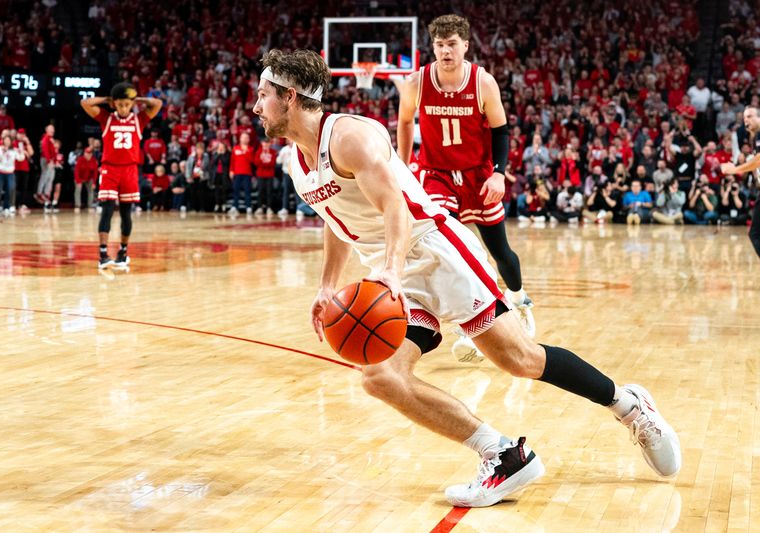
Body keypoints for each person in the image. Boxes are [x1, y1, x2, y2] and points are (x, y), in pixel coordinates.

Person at [254, 47, 681, 508]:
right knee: (379, 376)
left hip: (434, 250)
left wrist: (393, 269)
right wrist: (325, 285)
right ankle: (501, 456)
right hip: (394, 273)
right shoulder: (296, 162)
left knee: (519, 359)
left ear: (291, 97)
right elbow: (336, 219)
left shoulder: (351, 136)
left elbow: (395, 205)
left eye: (263, 95)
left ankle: (630, 406)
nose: (257, 106)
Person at [397, 15, 535, 363]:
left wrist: (499, 174)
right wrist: (402, 166)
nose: (446, 51)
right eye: (440, 45)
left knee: (500, 251)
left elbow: (501, 131)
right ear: (433, 48)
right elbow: (404, 122)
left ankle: (518, 298)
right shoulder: (417, 82)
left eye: (452, 44)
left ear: (465, 46)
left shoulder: (482, 82)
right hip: (437, 174)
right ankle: (470, 324)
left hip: (478, 175)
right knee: (453, 247)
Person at [81, 83, 162, 269]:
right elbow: (85, 103)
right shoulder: (106, 118)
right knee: (107, 210)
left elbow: (157, 103)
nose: (124, 108)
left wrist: (137, 99)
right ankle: (103, 254)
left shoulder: (139, 119)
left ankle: (123, 252)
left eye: (127, 105)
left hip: (130, 170)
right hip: (110, 169)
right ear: (114, 105)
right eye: (120, 105)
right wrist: (107, 99)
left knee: (126, 213)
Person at [721, 105, 760, 258]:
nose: (746, 121)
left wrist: (735, 170)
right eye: (744, 118)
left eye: (749, 116)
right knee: (755, 234)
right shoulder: (755, 138)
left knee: (755, 234)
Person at [36, 124, 56, 208]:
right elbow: (45, 150)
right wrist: (48, 160)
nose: (53, 131)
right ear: (46, 130)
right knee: (45, 176)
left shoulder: (51, 139)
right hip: (46, 160)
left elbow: (53, 151)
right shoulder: (45, 138)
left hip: (51, 160)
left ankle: (46, 194)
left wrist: (54, 161)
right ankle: (40, 193)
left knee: (50, 177)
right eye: (51, 129)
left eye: (53, 129)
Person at [74, 147, 98, 211]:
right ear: (84, 153)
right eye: (87, 153)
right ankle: (77, 205)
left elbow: (95, 173)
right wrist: (78, 181)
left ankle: (90, 205)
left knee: (91, 189)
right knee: (78, 188)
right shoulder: (80, 160)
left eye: (90, 153)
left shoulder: (93, 161)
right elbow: (76, 171)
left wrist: (94, 183)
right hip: (80, 178)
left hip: (89, 178)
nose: (88, 155)